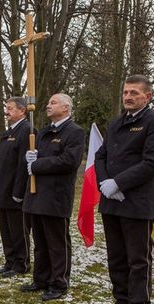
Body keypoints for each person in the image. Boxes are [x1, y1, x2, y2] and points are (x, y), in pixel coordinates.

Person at [94, 75, 154, 304]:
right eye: (125, 92)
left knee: (138, 260)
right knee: (116, 257)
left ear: (147, 97)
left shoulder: (151, 121)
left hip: (137, 202)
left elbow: (150, 163)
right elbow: (100, 156)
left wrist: (118, 183)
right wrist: (105, 184)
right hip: (111, 201)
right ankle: (120, 298)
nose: (128, 97)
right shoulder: (115, 123)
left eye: (134, 93)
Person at [20, 93, 85, 301]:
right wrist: (31, 157)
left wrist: (37, 164)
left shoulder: (74, 132)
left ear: (66, 107)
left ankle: (59, 282)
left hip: (56, 196)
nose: (48, 105)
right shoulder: (45, 131)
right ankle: (41, 279)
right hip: (36, 194)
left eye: (53, 102)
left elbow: (68, 161)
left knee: (57, 242)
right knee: (39, 240)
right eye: (48, 102)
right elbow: (39, 157)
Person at [0, 97, 31, 278]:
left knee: (18, 229)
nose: (7, 111)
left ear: (22, 111)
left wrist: (19, 191)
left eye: (10, 108)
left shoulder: (27, 131)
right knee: (6, 229)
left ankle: (21, 263)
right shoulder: (8, 132)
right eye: (6, 108)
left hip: (15, 190)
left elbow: (23, 164)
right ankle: (10, 260)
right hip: (2, 188)